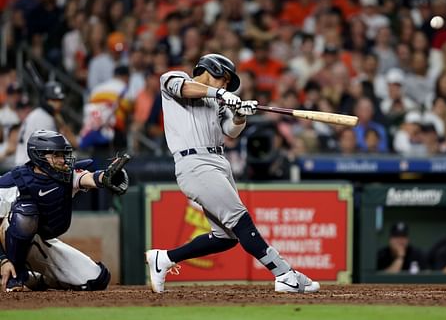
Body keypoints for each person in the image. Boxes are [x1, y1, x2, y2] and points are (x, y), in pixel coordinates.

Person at [145, 53, 320, 294]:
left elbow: (231, 131)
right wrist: (220, 94)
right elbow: (183, 88)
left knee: (226, 237)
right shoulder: (175, 77)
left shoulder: (218, 100)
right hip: (194, 162)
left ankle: (163, 259)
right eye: (224, 80)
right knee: (239, 218)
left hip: (218, 160)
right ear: (211, 69)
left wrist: (240, 114)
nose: (225, 85)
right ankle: (284, 273)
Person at [0, 130, 130, 292]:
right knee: (25, 213)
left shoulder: (66, 175)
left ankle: (31, 278)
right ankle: (15, 276)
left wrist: (105, 177)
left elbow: (87, 178)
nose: (63, 160)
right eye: (56, 155)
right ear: (38, 155)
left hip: (37, 244)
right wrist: (3, 260)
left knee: (97, 279)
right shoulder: (12, 182)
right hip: (7, 244)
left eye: (63, 154)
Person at [15, 80, 78, 165]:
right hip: (29, 166)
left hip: (27, 163)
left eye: (59, 100)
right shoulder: (43, 119)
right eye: (53, 100)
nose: (57, 104)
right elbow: (50, 151)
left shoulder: (42, 114)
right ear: (45, 100)